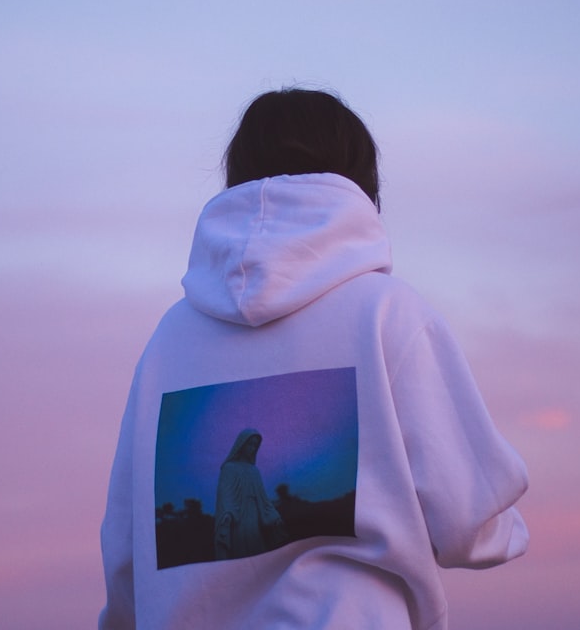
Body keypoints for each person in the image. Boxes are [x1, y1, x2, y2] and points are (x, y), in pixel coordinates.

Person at [99, 88, 529, 629]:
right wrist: (509, 530)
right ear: (360, 183)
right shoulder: (386, 314)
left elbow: (126, 553)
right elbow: (469, 521)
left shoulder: (168, 341)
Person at [214, 429, 288, 560]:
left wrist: (274, 516)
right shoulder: (229, 468)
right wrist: (227, 514)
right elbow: (225, 495)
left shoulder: (254, 471)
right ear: (241, 444)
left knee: (257, 550)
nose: (252, 448)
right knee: (240, 552)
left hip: (254, 516)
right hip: (237, 518)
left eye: (255, 445)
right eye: (250, 444)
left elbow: (263, 498)